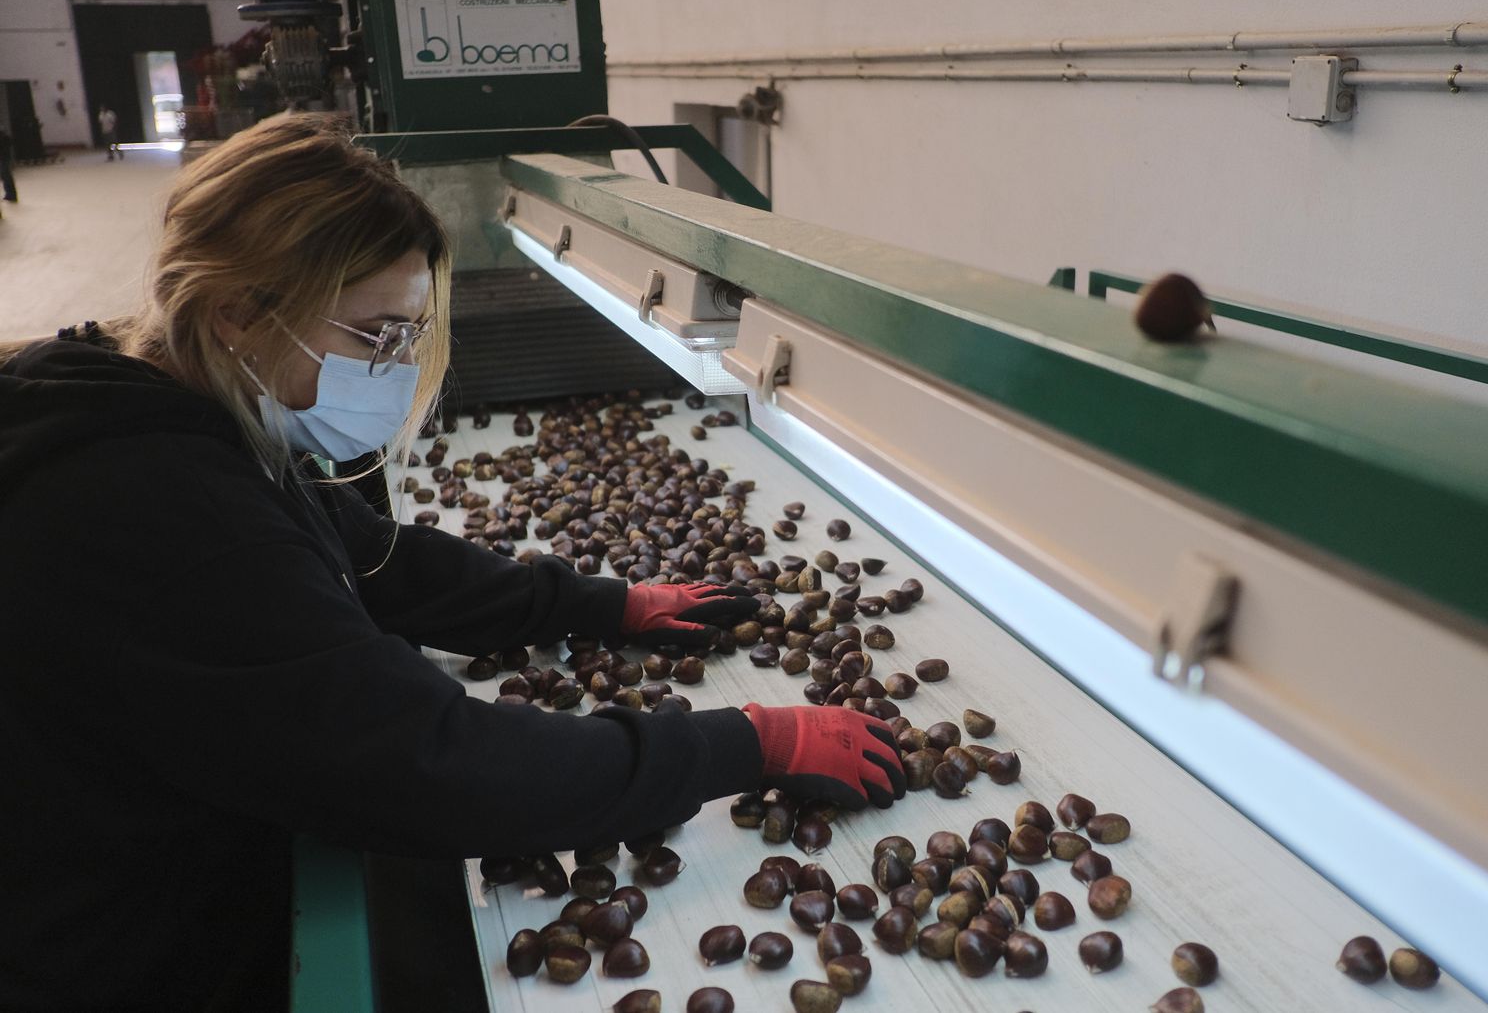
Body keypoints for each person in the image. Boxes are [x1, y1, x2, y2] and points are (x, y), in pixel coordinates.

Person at [0, 114, 904, 1011]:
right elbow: (430, 763)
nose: (394, 367)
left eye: (407, 337)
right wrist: (747, 742)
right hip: (123, 955)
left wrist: (599, 604)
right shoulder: (166, 511)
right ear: (239, 310)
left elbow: (370, 557)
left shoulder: (143, 399)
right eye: (373, 336)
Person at [0, 125, 16, 201]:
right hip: (5, 158)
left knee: (6, 176)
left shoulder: (3, 137)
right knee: (5, 176)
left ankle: (11, 195)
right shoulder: (5, 137)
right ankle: (9, 194)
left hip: (3, 158)